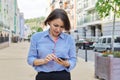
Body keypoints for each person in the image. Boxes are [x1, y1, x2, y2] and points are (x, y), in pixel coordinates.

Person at [27, 8, 77, 80]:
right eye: (56, 25)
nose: (58, 29)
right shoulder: (36, 37)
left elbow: (73, 60)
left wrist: (65, 63)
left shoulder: (69, 39)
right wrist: (44, 61)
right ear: (49, 21)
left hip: (63, 76)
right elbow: (30, 59)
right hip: (43, 76)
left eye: (62, 27)